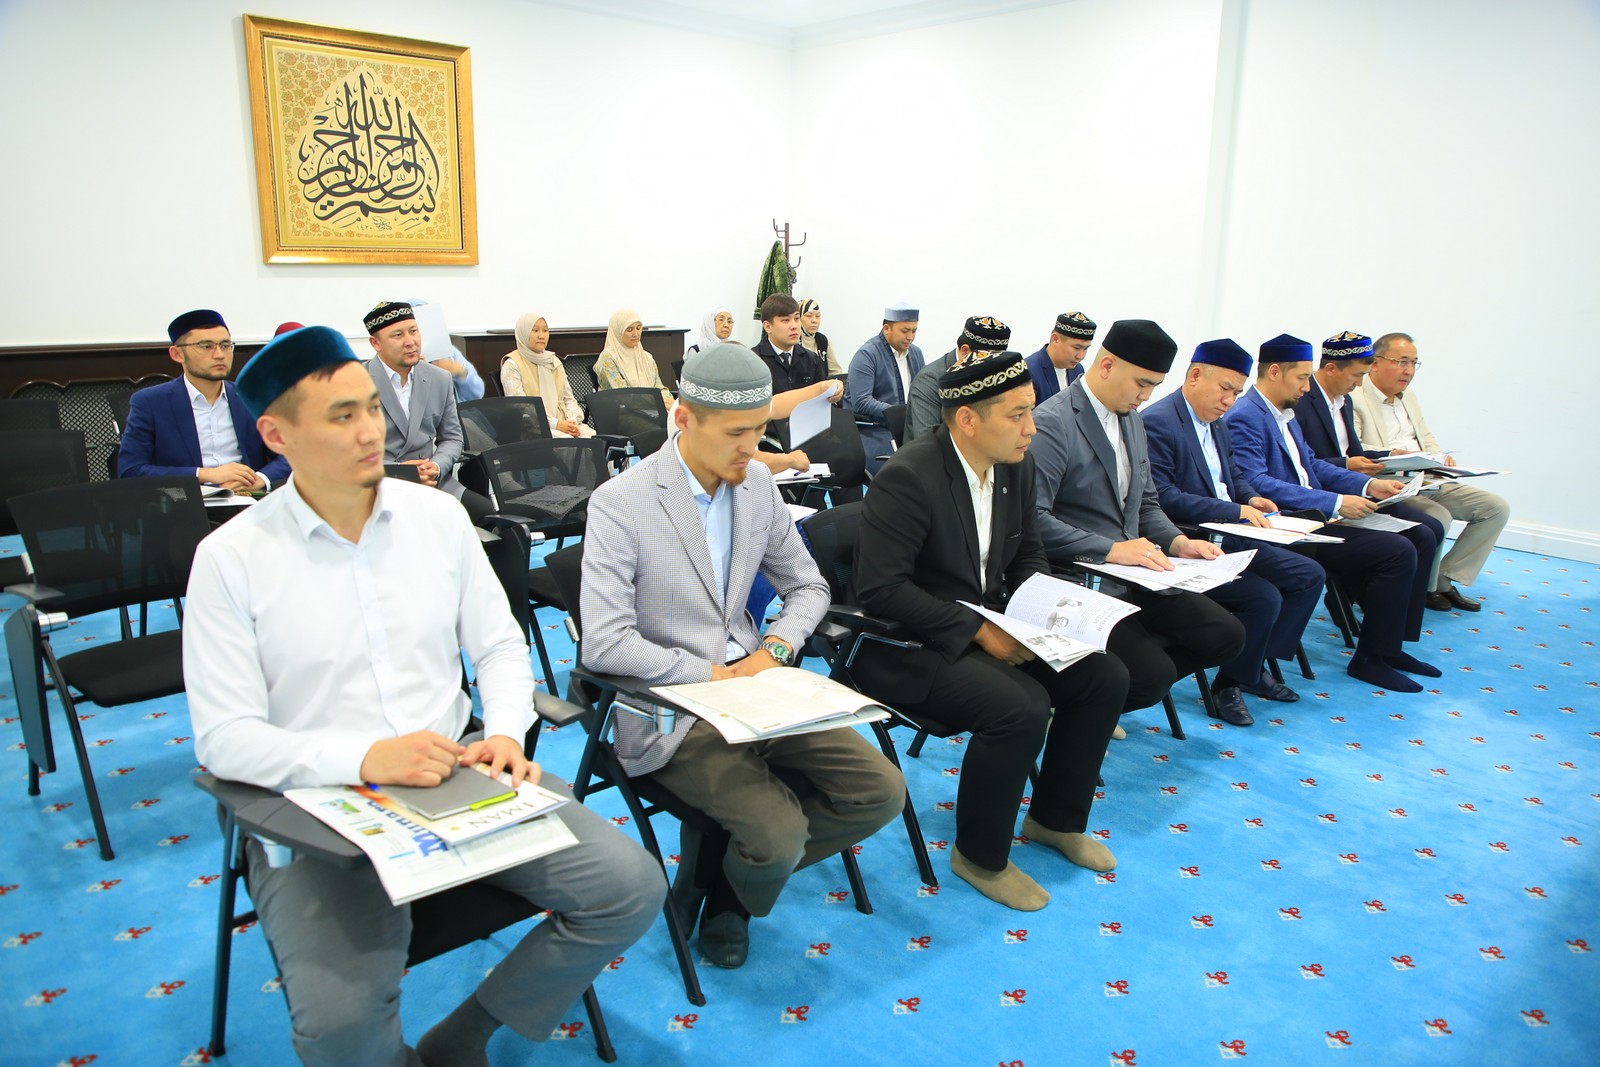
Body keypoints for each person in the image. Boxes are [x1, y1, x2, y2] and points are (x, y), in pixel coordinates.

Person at [184, 324, 664, 1067]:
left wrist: (504, 730)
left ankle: (464, 1038)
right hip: (319, 802)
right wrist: (367, 757)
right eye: (341, 416)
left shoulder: (436, 518)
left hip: (457, 771)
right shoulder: (231, 558)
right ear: (276, 436)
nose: (370, 431)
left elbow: (499, 646)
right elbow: (224, 738)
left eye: (371, 408)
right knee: (341, 1030)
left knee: (629, 886)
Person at [581, 342, 904, 969]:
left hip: (757, 684)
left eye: (759, 430)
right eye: (736, 433)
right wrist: (711, 675)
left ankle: (722, 883)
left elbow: (808, 587)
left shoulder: (755, 483)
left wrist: (776, 647)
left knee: (879, 791)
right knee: (777, 837)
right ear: (684, 418)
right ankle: (741, 881)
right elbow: (606, 641)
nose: (752, 447)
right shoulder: (623, 501)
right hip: (671, 704)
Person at [852, 332, 1127, 912]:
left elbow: (1026, 555)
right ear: (968, 421)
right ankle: (979, 855)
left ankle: (1055, 820)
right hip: (909, 645)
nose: (1032, 428)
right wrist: (978, 630)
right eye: (1018, 415)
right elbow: (882, 590)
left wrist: (1050, 616)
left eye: (1031, 412)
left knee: (1103, 676)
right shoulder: (910, 475)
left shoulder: (1013, 466)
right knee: (1019, 706)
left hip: (990, 626)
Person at [1029, 319, 1247, 723]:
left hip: (1134, 573)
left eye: (1154, 387)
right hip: (1077, 577)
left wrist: (1178, 542)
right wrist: (1111, 549)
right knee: (1151, 675)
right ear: (1107, 366)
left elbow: (1145, 503)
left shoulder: (1131, 420)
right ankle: (1079, 704)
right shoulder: (1053, 422)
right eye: (1142, 384)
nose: (1146, 396)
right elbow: (1033, 521)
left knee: (1226, 635)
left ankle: (1098, 702)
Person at [1224, 333, 1442, 693]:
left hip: (1315, 516)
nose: (1307, 386)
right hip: (1291, 523)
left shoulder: (1284, 413)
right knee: (1398, 551)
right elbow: (1257, 483)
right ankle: (1370, 658)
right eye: (1301, 377)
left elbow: (1312, 465)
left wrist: (1367, 485)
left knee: (1418, 534)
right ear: (1275, 372)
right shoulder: (1246, 416)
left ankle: (1388, 648)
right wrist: (1337, 502)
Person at [1141, 339, 1328, 724]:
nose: (1229, 400)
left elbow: (1233, 475)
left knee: (1309, 575)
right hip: (1190, 542)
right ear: (1195, 376)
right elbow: (1164, 497)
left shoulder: (1217, 423)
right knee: (1263, 598)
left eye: (1237, 393)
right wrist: (1234, 509)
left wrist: (1251, 498)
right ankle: (1230, 683)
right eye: (1225, 389)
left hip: (1234, 535)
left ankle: (1249, 667)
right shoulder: (1159, 422)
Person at [1349, 331, 1511, 613]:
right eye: (1401, 362)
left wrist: (1441, 458)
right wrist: (1400, 456)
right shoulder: (1356, 398)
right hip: (1389, 482)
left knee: (1495, 508)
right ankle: (1425, 588)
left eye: (1414, 363)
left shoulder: (1408, 397)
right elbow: (1356, 450)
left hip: (1428, 477)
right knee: (1439, 516)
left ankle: (1442, 579)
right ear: (1375, 363)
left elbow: (1424, 437)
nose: (1408, 370)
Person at [118, 309, 289, 491]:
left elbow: (291, 452)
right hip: (186, 500)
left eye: (225, 345)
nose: (219, 354)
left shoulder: (251, 396)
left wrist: (260, 479)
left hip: (247, 496)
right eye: (206, 346)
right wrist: (204, 474)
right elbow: (130, 470)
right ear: (177, 354)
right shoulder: (150, 402)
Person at [362, 301, 491, 522]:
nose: (410, 341)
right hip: (380, 482)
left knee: (487, 514)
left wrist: (436, 466)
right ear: (376, 343)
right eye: (398, 335)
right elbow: (347, 453)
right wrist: (400, 471)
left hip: (431, 480)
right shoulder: (358, 382)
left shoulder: (439, 378)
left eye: (414, 331)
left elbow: (452, 438)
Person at [847, 302, 924, 473]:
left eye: (914, 331)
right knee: (897, 471)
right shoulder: (867, 355)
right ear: (886, 329)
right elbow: (861, 402)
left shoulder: (916, 354)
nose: (910, 337)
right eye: (905, 331)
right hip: (874, 430)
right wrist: (899, 415)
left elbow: (922, 392)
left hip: (909, 428)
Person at [500, 312, 595, 437]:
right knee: (570, 443)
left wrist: (571, 422)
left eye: (545, 330)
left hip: (563, 423)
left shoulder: (553, 361)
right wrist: (556, 424)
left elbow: (569, 398)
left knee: (596, 438)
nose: (541, 336)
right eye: (535, 330)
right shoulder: (512, 364)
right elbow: (521, 408)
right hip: (534, 428)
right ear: (523, 333)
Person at [593, 308, 672, 408]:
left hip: (651, 408)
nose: (636, 334)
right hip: (622, 412)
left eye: (638, 328)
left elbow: (659, 387)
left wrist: (671, 402)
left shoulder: (647, 357)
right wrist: (660, 401)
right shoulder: (608, 359)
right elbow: (624, 396)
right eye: (629, 330)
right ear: (618, 331)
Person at [1024, 312, 1095, 407]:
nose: (1080, 356)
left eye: (1085, 349)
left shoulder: (1078, 370)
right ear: (1055, 339)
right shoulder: (1028, 371)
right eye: (1077, 348)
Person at [798, 298, 840, 375]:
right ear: (798, 318)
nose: (814, 320)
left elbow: (835, 372)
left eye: (818, 316)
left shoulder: (824, 341)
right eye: (808, 316)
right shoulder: (792, 342)